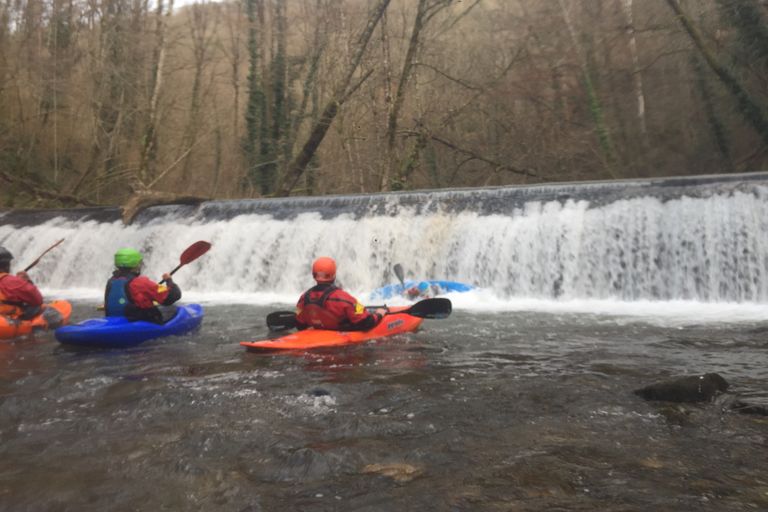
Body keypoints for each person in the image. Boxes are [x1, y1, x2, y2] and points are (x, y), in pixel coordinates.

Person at [295, 257, 384, 331]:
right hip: (341, 334)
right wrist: (379, 314)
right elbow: (365, 322)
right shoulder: (345, 298)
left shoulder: (303, 298)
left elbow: (300, 324)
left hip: (319, 334)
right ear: (334, 275)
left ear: (314, 275)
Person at [105, 248, 181, 324]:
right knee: (174, 311)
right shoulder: (141, 282)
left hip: (115, 320)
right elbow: (171, 297)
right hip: (138, 322)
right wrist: (169, 280)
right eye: (140, 263)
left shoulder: (111, 281)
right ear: (136, 265)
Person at [0, 247, 44, 320]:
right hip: (8, 317)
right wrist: (26, 281)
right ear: (7, 265)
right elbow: (37, 300)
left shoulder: (12, 281)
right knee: (39, 308)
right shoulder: (13, 281)